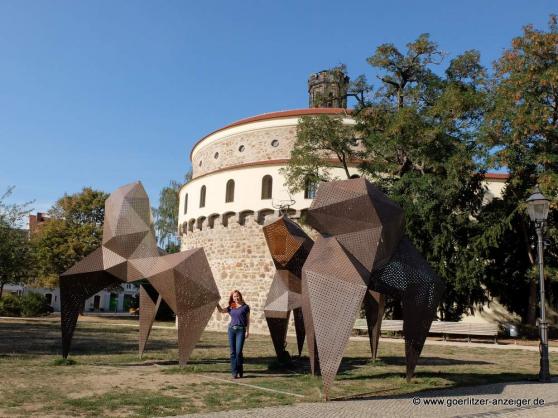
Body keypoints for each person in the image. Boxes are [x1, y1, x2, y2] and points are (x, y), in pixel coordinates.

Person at [216, 290, 250, 378]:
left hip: (241, 330)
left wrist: (247, 331)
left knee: (238, 352)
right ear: (232, 298)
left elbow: (248, 320)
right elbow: (221, 311)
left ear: (240, 296)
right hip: (231, 330)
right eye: (234, 296)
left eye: (237, 296)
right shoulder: (232, 306)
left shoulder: (245, 307)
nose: (236, 298)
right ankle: (234, 372)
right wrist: (216, 304)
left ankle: (240, 368)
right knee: (232, 352)